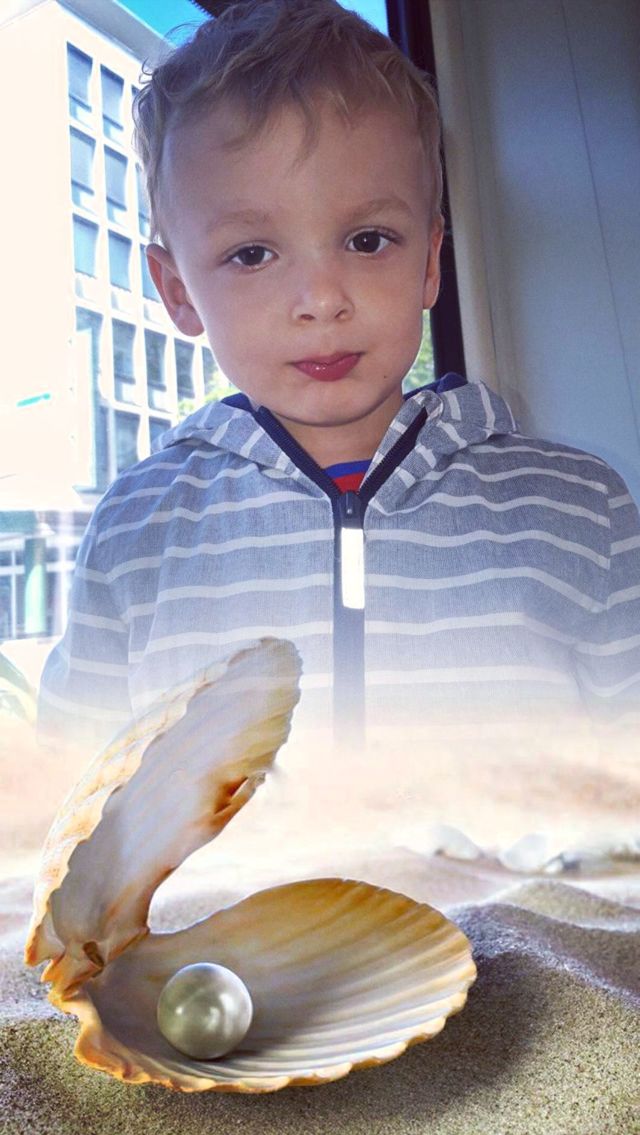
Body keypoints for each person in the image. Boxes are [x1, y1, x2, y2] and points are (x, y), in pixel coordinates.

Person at [39, 0, 640, 760]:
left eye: (367, 240)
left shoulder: (578, 510)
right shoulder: (137, 533)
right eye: (253, 254)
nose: (322, 299)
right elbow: (69, 793)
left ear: (429, 264)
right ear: (179, 291)